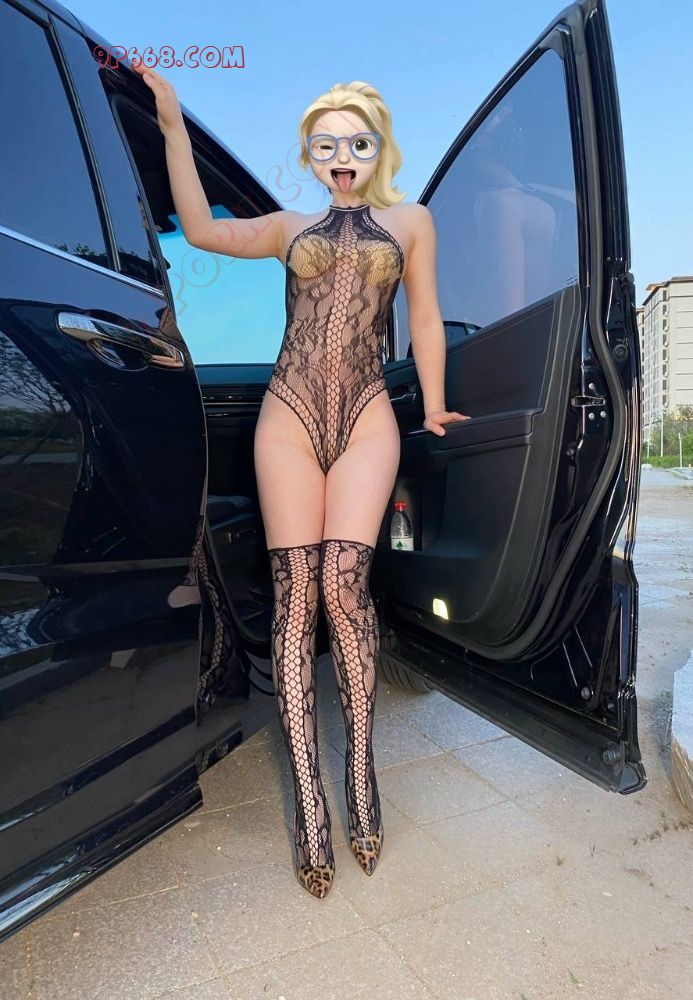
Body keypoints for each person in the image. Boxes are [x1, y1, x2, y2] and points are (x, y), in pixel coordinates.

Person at [136, 63, 469, 898]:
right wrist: (172, 126)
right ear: (310, 156)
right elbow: (201, 231)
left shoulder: (412, 220)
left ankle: (359, 770)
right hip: (287, 412)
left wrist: (433, 404)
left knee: (344, 588)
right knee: (295, 598)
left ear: (378, 147)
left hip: (365, 412)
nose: (341, 157)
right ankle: (310, 804)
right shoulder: (288, 226)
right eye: (325, 146)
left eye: (356, 143)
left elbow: (424, 314)